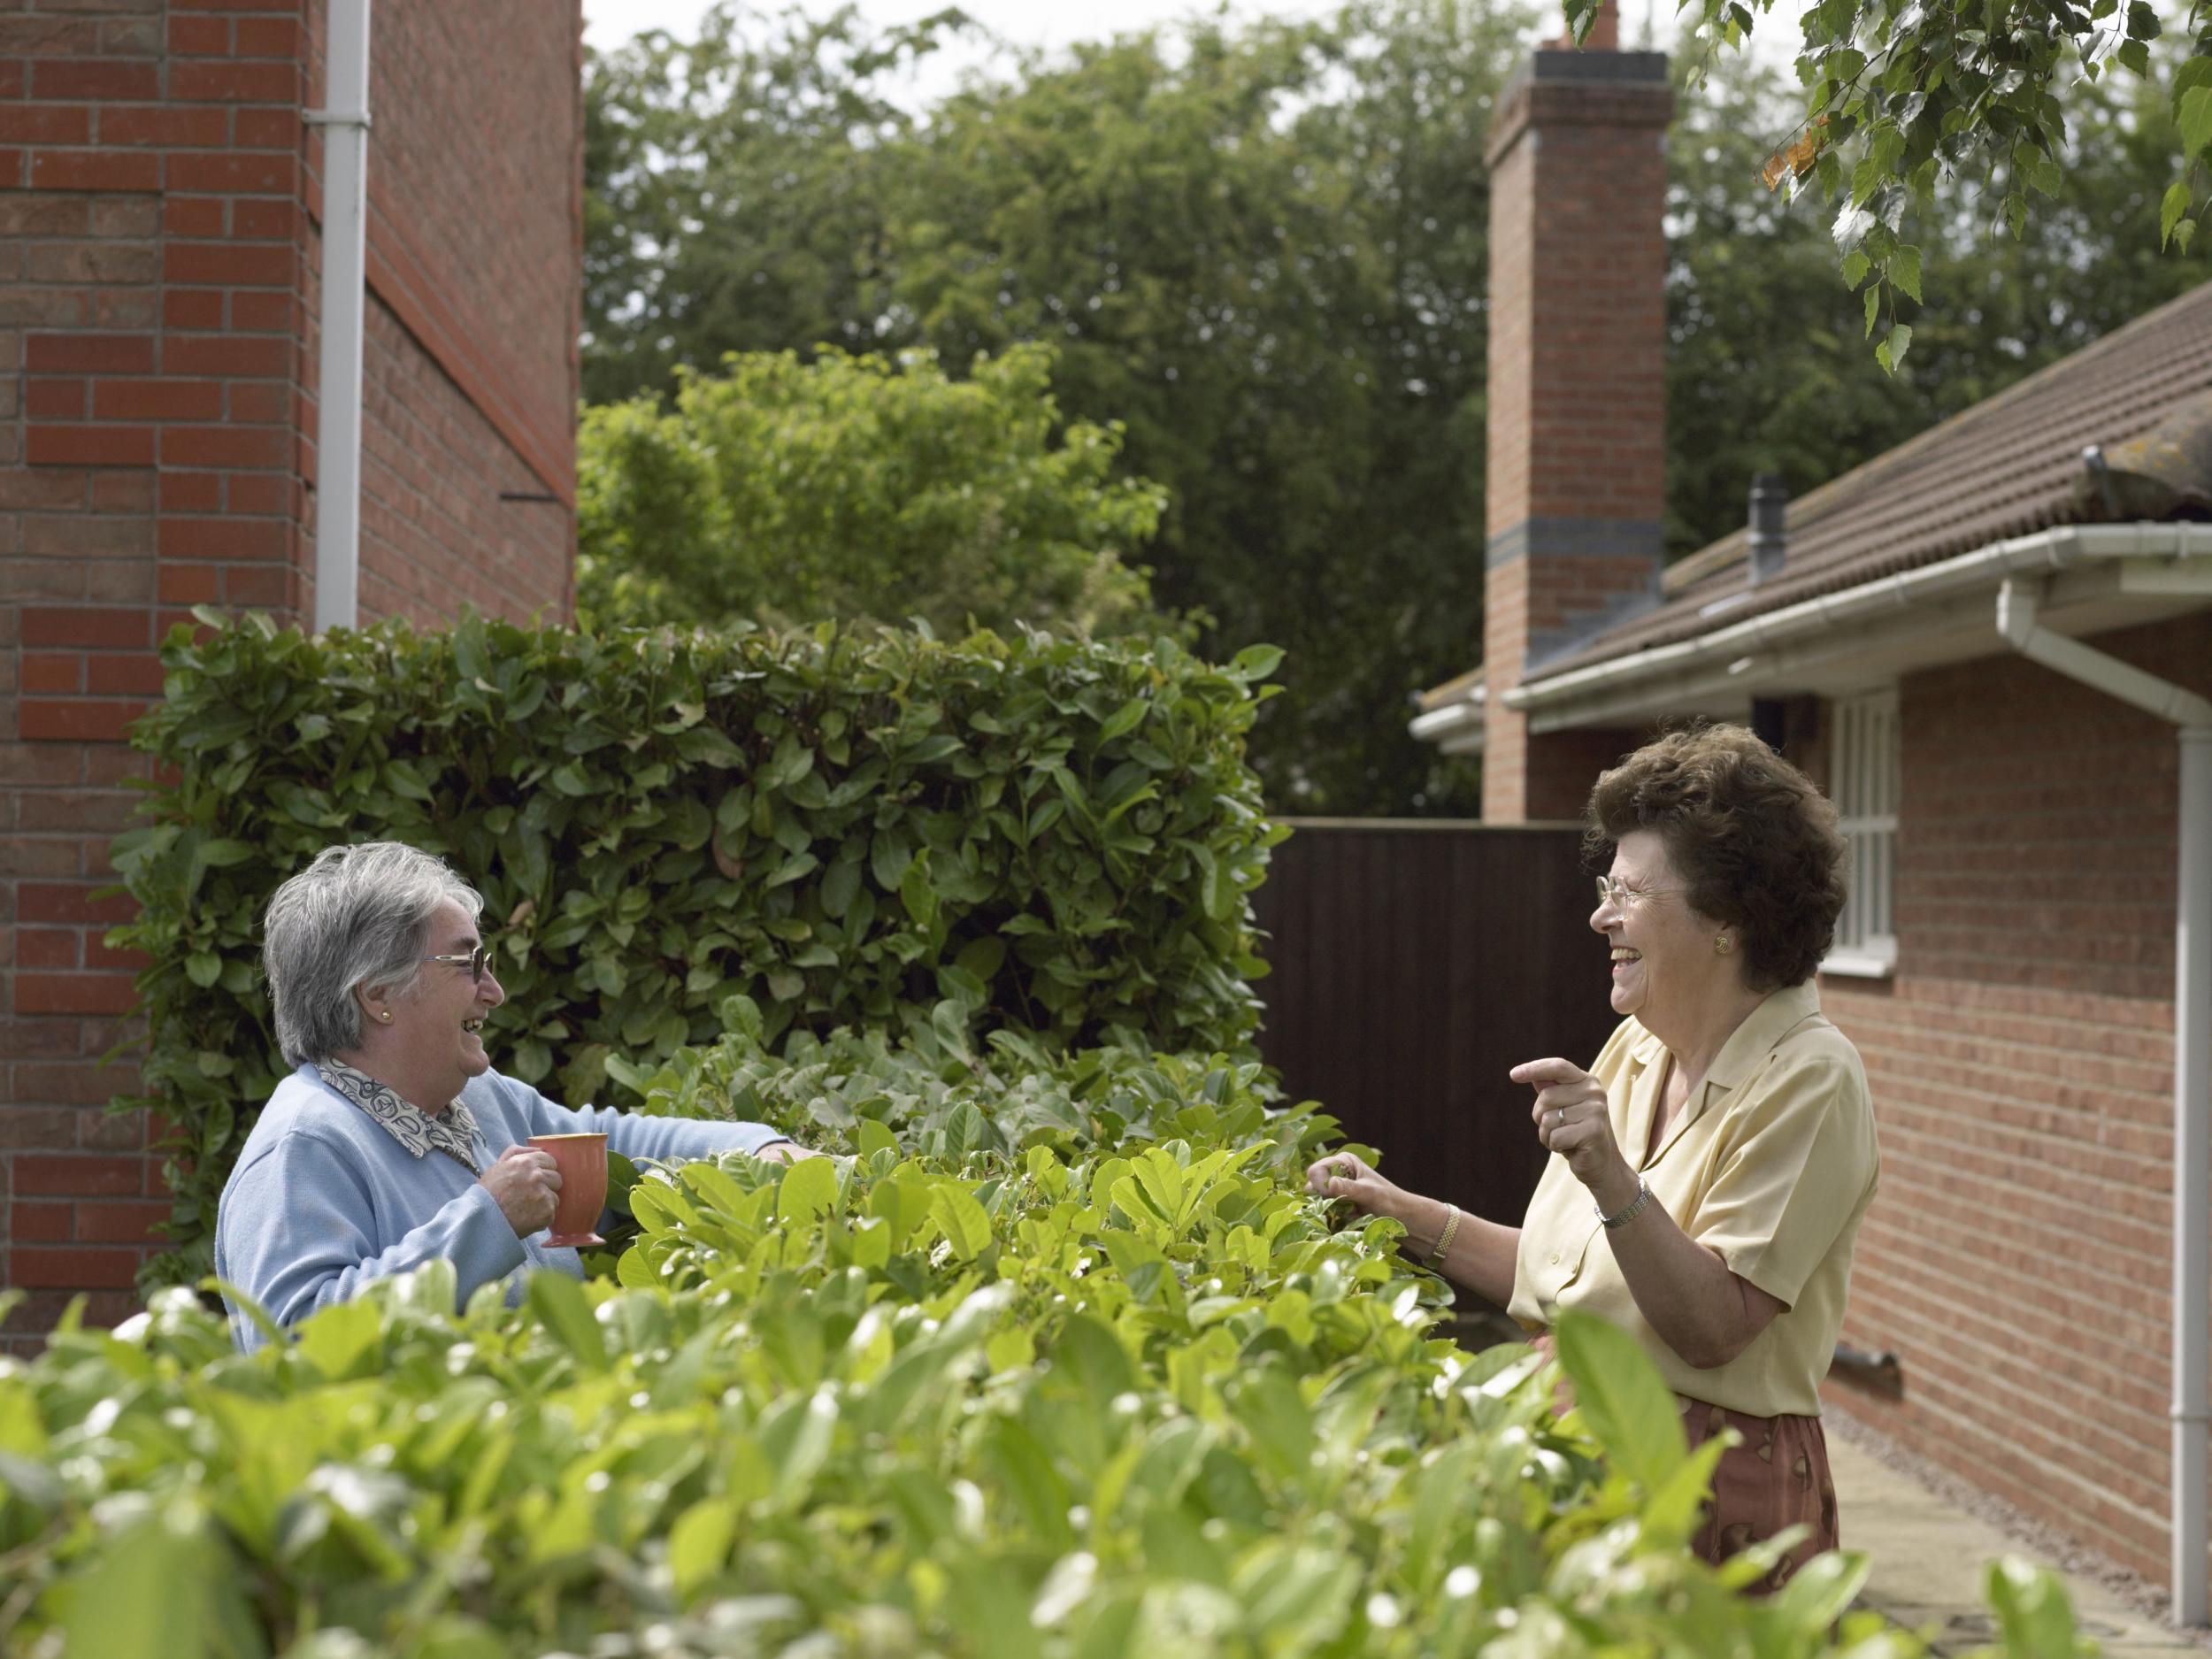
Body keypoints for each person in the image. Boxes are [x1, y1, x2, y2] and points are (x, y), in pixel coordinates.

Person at [1306, 725, 1878, 1584]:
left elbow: (1712, 1327)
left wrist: (1611, 1174)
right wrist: (1398, 1212)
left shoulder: (1812, 1079)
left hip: (1709, 1492)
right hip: (1574, 1457)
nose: (1598, 914)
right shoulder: (1634, 1049)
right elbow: (1563, 1282)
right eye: (1605, 887)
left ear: (1726, 917)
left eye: (1628, 891)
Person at [216, 841, 818, 1352]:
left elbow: (619, 1148)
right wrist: (488, 1220)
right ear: (379, 995)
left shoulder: (480, 1100)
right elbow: (291, 1341)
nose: (495, 991)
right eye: (469, 963)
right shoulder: (302, 1146)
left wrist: (765, 1155)